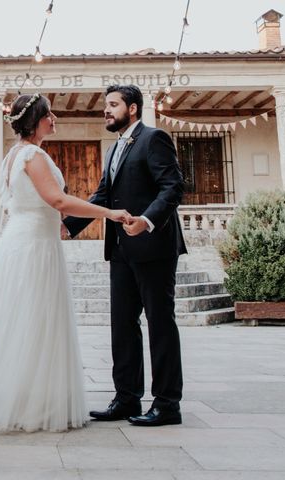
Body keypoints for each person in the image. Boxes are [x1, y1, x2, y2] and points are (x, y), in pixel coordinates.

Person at [0, 93, 130, 434]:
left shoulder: (13, 156)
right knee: (33, 320)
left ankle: (23, 397)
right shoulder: (32, 155)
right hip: (34, 246)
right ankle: (26, 403)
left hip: (26, 240)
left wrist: (60, 223)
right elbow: (58, 199)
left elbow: (39, 204)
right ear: (37, 119)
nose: (55, 119)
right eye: (50, 114)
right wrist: (110, 213)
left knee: (21, 322)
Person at [63, 84, 187, 427]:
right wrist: (67, 224)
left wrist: (146, 220)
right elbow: (103, 194)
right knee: (122, 325)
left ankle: (166, 404)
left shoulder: (154, 138)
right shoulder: (116, 148)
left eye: (113, 105)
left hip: (154, 246)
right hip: (119, 250)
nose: (106, 110)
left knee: (160, 324)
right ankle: (127, 398)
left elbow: (173, 186)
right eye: (106, 105)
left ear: (132, 109)